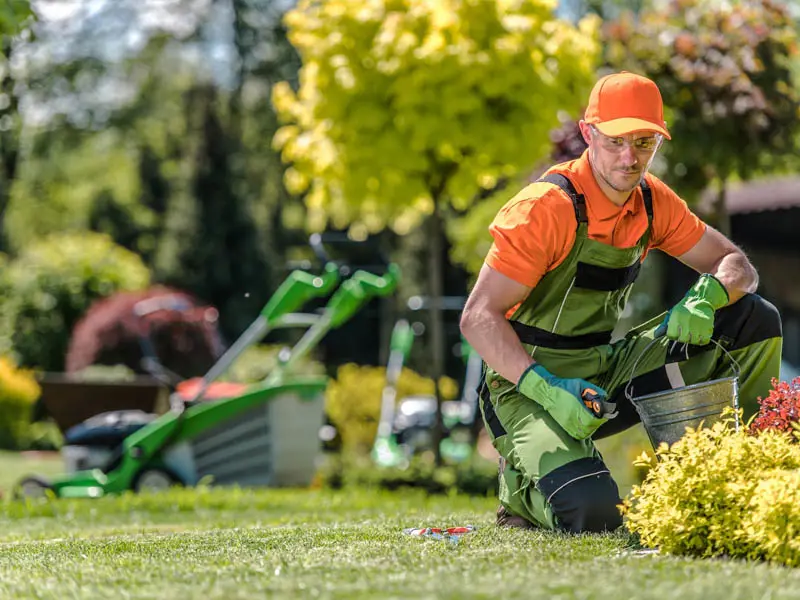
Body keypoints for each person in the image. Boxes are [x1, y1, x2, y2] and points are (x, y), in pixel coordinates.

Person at [459, 71, 783, 534]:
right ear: (588, 134)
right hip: (523, 384)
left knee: (753, 318)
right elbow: (477, 318)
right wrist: (546, 387)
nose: (630, 158)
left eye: (644, 141)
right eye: (615, 141)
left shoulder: (654, 202)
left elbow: (737, 265)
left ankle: (745, 474)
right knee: (593, 515)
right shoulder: (544, 209)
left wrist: (707, 296)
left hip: (603, 371)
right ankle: (520, 492)